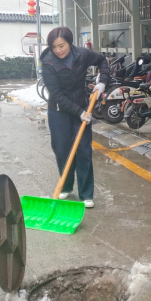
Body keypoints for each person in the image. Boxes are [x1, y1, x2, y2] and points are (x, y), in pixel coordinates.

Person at [40, 27, 109, 207]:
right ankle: (66, 186)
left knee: (84, 150)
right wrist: (79, 113)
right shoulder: (48, 63)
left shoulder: (82, 55)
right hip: (58, 110)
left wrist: (102, 82)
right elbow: (57, 95)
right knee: (62, 149)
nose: (58, 50)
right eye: (54, 47)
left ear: (69, 43)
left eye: (61, 45)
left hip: (82, 104)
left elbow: (102, 60)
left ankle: (86, 194)